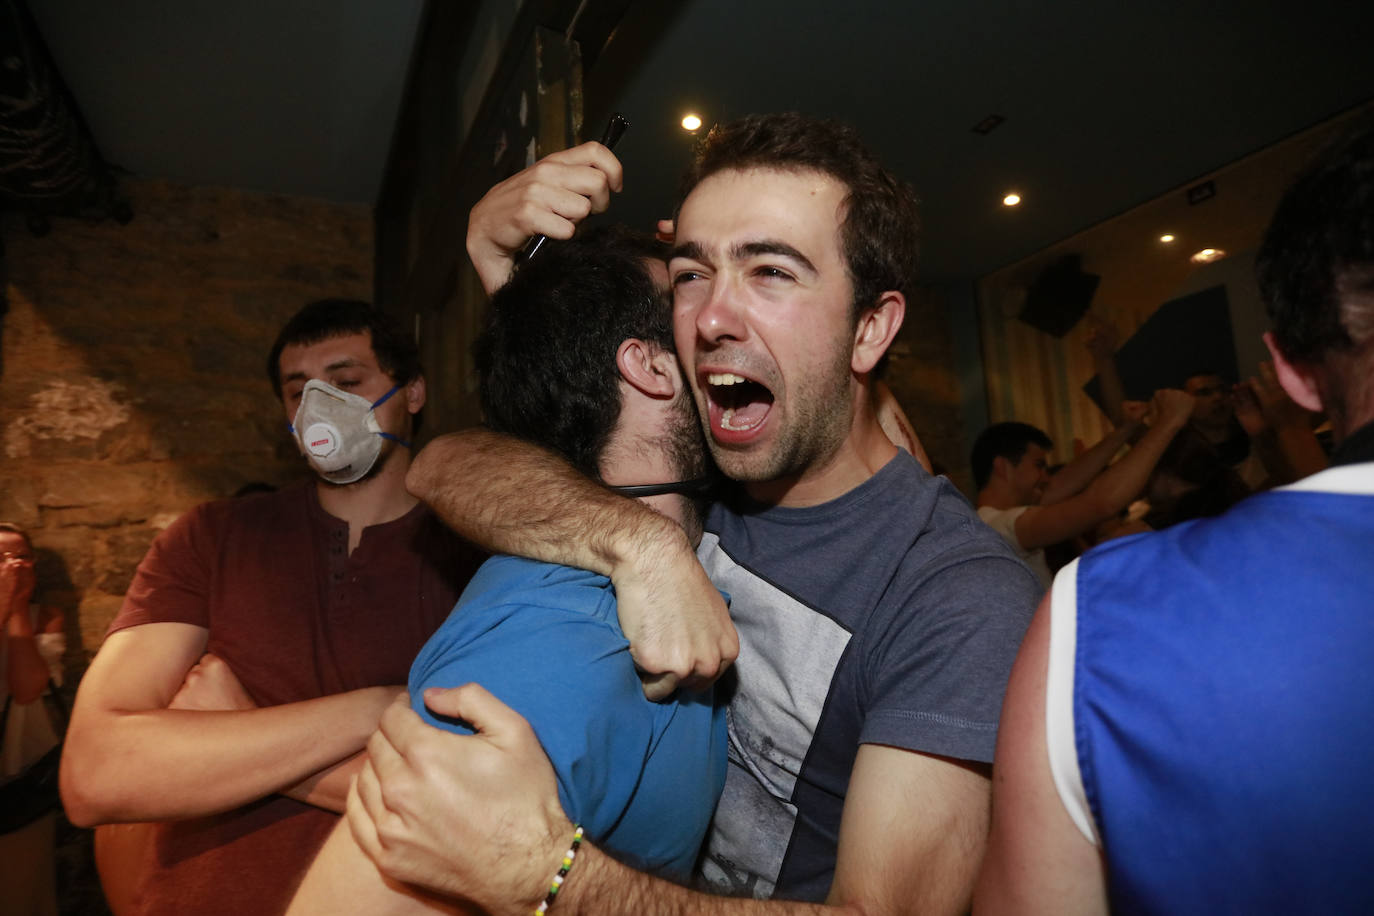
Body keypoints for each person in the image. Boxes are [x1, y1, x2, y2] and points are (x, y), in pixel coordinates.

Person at [348, 112, 1041, 915]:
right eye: (692, 274)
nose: (712, 316)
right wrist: (642, 547)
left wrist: (552, 874)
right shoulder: (705, 465)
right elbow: (448, 460)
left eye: (771, 271)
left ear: (871, 327)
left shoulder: (958, 593)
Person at [974, 124, 1374, 913]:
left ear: (1293, 373)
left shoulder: (1115, 605)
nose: (1048, 473)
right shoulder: (997, 524)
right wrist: (1155, 423)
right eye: (1037, 464)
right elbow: (1088, 502)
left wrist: (1135, 421)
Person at [289, 229, 727, 913]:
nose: (724, 324)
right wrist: (552, 877)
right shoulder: (561, 641)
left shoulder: (683, 547)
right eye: (689, 303)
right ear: (650, 365)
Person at [59, 300, 482, 915]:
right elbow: (96, 772)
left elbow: (478, 816)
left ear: (412, 392)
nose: (320, 408)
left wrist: (238, 724)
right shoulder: (212, 537)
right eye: (299, 392)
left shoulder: (478, 557)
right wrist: (379, 707)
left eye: (345, 382)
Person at [971, 390, 1194, 588]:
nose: (1046, 477)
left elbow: (1062, 484)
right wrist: (1169, 422)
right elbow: (1101, 503)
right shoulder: (998, 526)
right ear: (1002, 467)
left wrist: (1126, 429)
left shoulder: (990, 520)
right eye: (1039, 465)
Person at [1, 523, 66, 916]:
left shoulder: (46, 616)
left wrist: (18, 609)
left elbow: (27, 689)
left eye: (21, 556)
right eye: (0, 557)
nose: (12, 565)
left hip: (23, 765)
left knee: (23, 886)